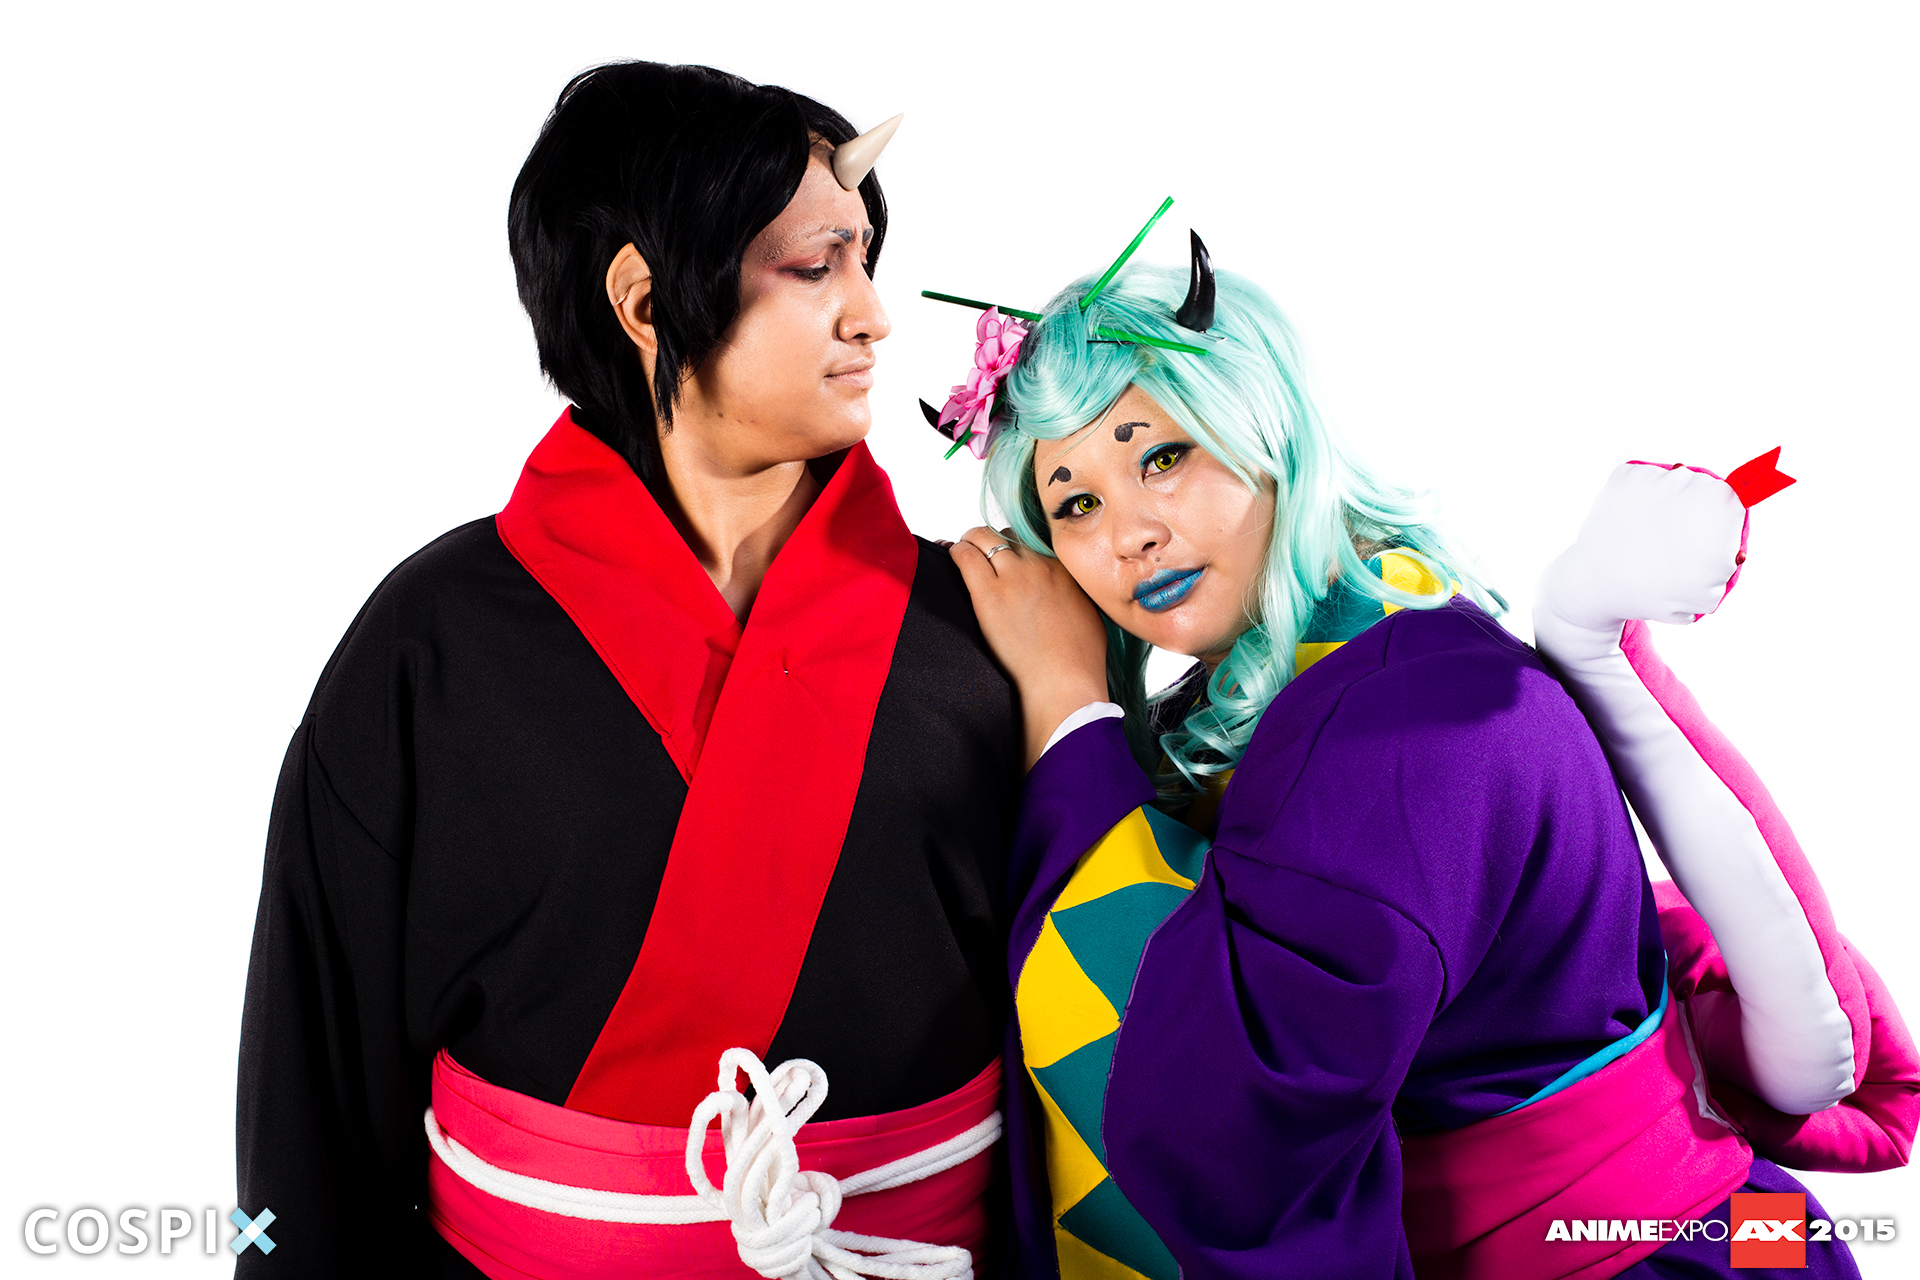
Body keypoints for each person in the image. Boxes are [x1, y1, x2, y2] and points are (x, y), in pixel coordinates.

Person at [925, 224, 1914, 1278]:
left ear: (1268, 427)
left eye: (1162, 456)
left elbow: (1225, 1126)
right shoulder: (1370, 657)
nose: (1128, 533)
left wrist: (1070, 717)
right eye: (1074, 503)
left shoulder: (1408, 723)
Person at [236, 62, 1020, 1279]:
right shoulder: (426, 646)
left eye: (864, 259)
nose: (873, 314)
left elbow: (1097, 1027)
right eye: (816, 266)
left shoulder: (992, 622)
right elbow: (311, 1103)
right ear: (646, 302)